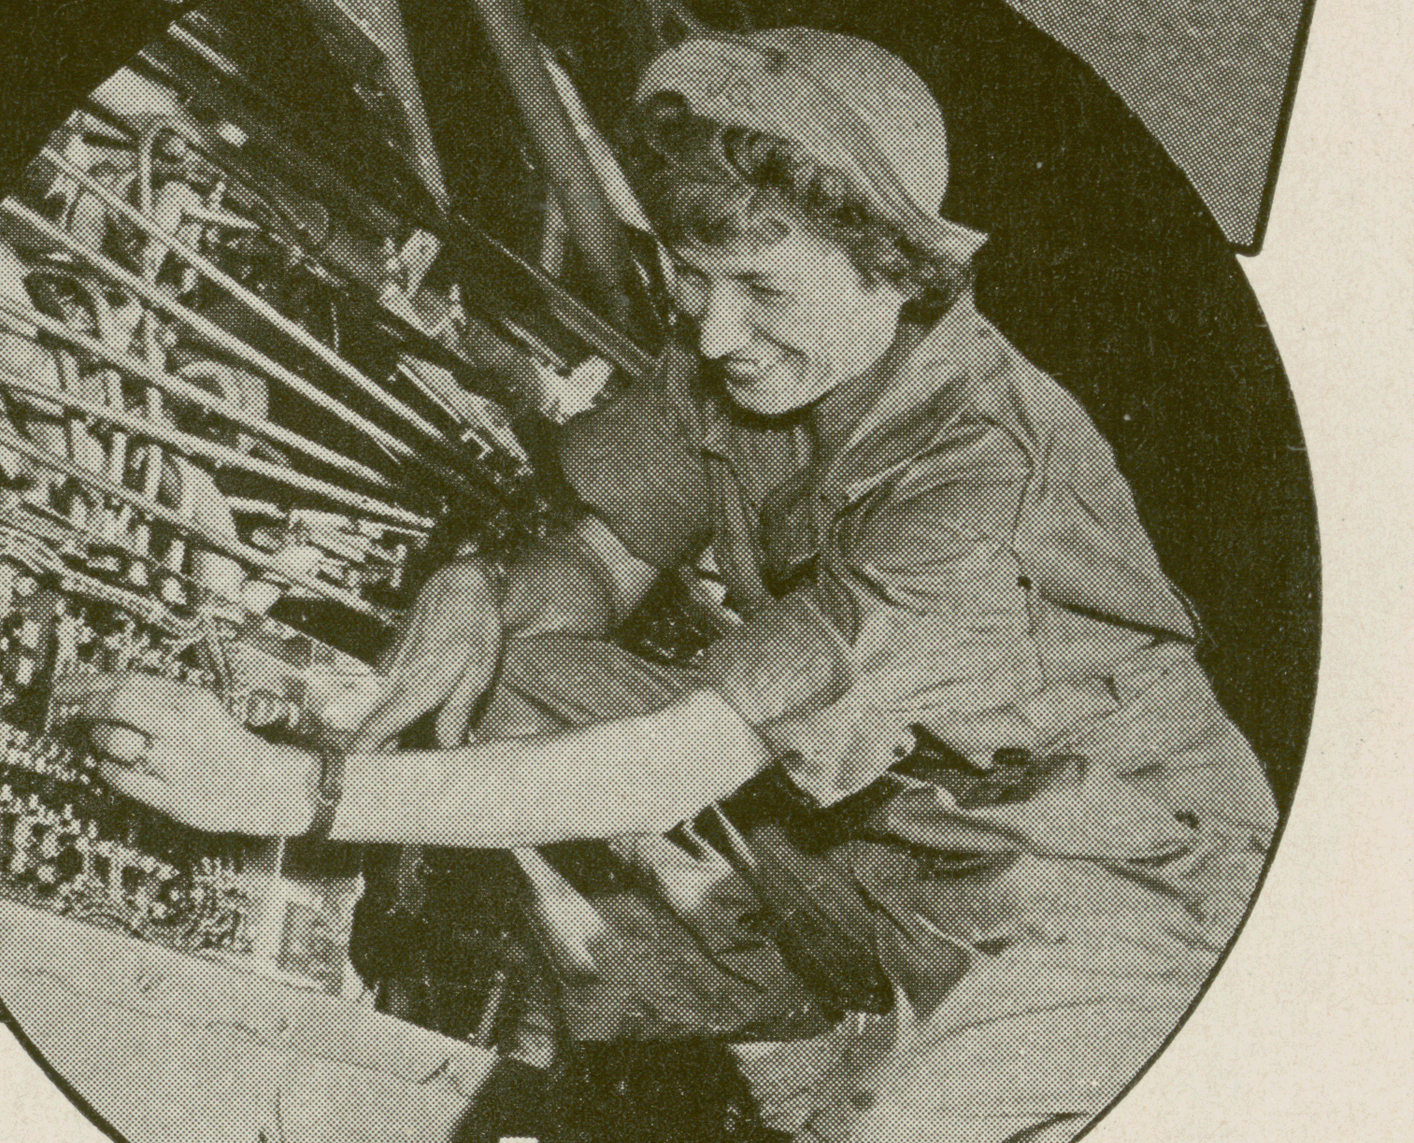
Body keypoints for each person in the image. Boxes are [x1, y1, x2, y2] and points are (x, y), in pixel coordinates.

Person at [63, 27, 1278, 1143]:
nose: (711, 332)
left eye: (761, 290)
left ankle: (887, 1085)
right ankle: (796, 1051)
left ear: (896, 272)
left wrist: (294, 791)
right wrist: (483, 587)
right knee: (512, 683)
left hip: (1101, 879)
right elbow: (600, 559)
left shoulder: (982, 485)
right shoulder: (743, 368)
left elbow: (677, 764)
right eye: (693, 279)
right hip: (877, 846)